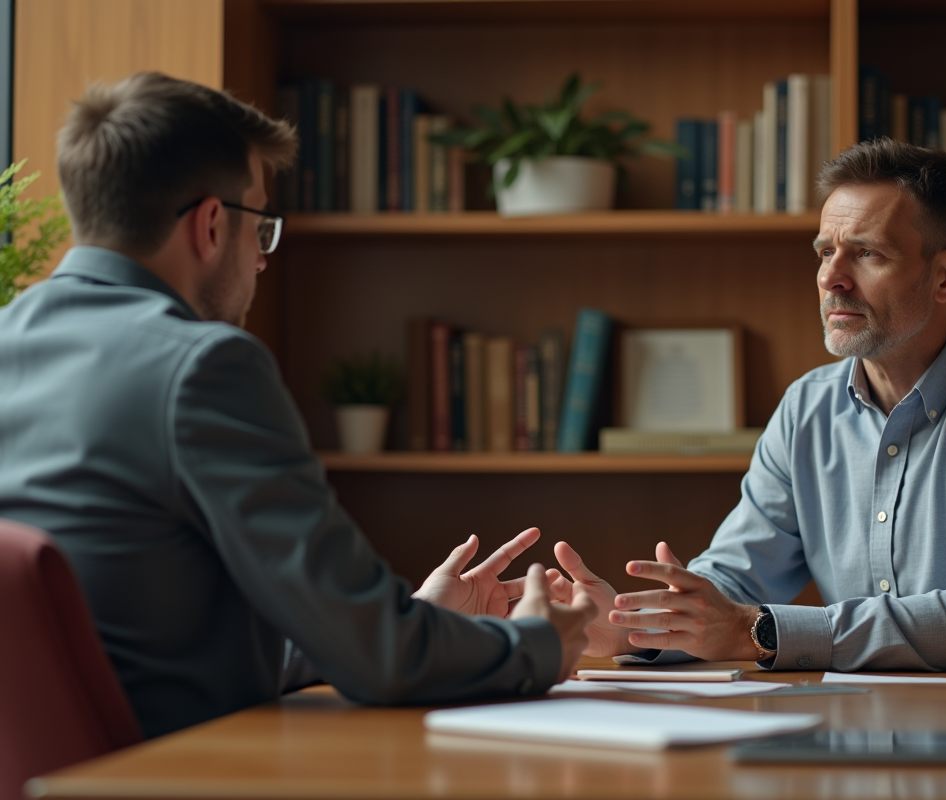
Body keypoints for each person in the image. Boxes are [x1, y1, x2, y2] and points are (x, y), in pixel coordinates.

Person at [0, 72, 594, 739]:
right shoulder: (200, 365)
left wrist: (419, 623)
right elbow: (384, 665)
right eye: (261, 226)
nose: (260, 261)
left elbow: (153, 649)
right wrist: (541, 644)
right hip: (183, 774)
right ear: (211, 224)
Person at [547, 138, 946, 672]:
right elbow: (735, 581)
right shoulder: (807, 406)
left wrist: (754, 631)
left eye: (868, 253)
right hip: (857, 726)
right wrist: (627, 625)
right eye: (826, 251)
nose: (832, 279)